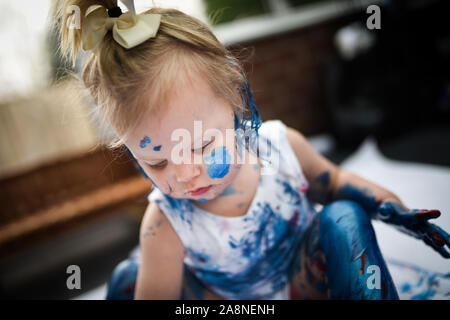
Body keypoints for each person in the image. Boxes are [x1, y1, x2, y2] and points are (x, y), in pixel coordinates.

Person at [52, 0, 450, 300]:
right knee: (127, 279)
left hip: (304, 285)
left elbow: (338, 183)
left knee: (343, 216)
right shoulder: (164, 222)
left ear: (236, 100)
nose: (183, 173)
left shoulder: (279, 148)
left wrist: (392, 208)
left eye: (202, 145)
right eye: (156, 161)